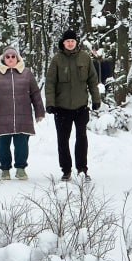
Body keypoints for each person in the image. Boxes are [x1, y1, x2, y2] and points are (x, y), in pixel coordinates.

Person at [0, 47, 46, 181]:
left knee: (22, 144)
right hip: (2, 117)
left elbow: (35, 94)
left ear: (17, 58)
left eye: (13, 56)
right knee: (3, 145)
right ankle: (5, 169)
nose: (10, 58)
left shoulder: (27, 73)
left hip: (23, 116)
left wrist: (39, 111)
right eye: (8, 56)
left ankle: (21, 169)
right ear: (3, 59)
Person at [45, 29, 101, 182]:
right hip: (61, 108)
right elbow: (50, 83)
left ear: (76, 42)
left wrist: (96, 99)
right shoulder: (57, 60)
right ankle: (66, 170)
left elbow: (92, 80)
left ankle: (82, 169)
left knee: (81, 139)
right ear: (63, 43)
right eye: (67, 41)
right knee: (63, 140)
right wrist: (50, 103)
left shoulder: (85, 58)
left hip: (81, 107)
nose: (70, 44)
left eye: (72, 41)